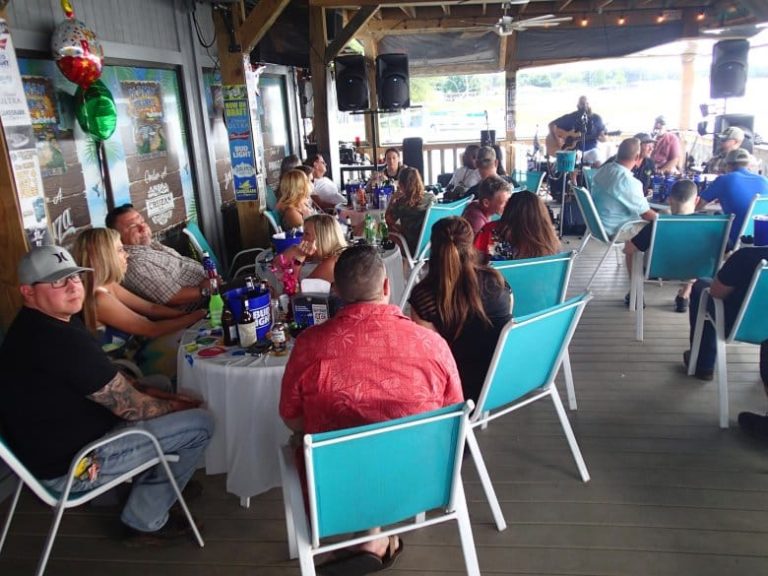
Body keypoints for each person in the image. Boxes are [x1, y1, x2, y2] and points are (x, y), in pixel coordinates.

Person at [0, 245, 213, 545]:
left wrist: (158, 393)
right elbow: (134, 409)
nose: (73, 285)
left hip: (68, 441)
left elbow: (108, 379)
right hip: (76, 466)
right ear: (27, 292)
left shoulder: (43, 324)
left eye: (73, 276)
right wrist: (179, 406)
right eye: (58, 281)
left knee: (160, 383)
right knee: (201, 424)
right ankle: (144, 519)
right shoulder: (55, 339)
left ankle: (156, 483)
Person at [279, 245, 463, 572]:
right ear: (387, 286)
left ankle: (369, 538)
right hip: (420, 480)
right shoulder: (432, 344)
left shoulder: (309, 346)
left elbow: (292, 419)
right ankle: (373, 538)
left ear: (336, 292)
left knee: (310, 439)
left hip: (335, 490)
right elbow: (453, 414)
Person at [73, 228, 207, 379]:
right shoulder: (99, 299)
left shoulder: (108, 284)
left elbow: (151, 308)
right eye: (119, 250)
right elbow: (151, 329)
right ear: (102, 257)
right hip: (130, 366)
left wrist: (185, 315)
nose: (126, 254)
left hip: (140, 347)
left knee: (198, 336)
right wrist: (197, 316)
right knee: (197, 350)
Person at [409, 217, 512, 403]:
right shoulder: (496, 282)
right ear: (470, 243)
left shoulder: (423, 297)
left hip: (453, 392)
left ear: (433, 247)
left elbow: (429, 353)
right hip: (499, 381)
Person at [683, 245, 768, 402]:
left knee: (701, 288)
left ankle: (704, 364)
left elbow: (716, 292)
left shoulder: (747, 256)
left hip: (741, 325)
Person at [106, 205, 213, 308]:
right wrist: (207, 289)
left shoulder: (147, 244)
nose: (143, 228)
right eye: (133, 226)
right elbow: (172, 298)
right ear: (117, 236)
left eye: (142, 221)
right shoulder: (134, 264)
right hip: (203, 306)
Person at [624, 179, 698, 312]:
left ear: (669, 201)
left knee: (631, 249)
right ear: (696, 200)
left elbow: (629, 249)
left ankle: (636, 292)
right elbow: (727, 252)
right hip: (694, 270)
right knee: (699, 256)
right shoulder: (710, 223)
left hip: (659, 270)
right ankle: (685, 294)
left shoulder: (658, 224)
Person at [696, 148, 768, 249]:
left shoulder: (724, 180)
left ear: (727, 165)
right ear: (748, 165)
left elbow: (697, 206)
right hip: (762, 242)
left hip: (737, 242)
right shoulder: (764, 180)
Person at [591, 137, 657, 241]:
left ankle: (631, 256)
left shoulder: (604, 169)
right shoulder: (628, 181)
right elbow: (647, 214)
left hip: (597, 226)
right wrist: (667, 221)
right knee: (656, 227)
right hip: (615, 230)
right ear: (637, 157)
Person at [474, 190, 561, 262]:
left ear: (509, 209)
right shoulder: (548, 236)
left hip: (501, 281)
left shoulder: (493, 232)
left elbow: (476, 260)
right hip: (539, 281)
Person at [280, 213, 348, 286]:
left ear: (322, 238)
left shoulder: (332, 263)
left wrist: (298, 259)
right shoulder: (318, 254)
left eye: (307, 234)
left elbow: (297, 292)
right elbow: (276, 265)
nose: (302, 238)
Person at [384, 166, 435, 255]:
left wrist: (392, 199)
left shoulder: (401, 203)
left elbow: (387, 220)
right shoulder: (431, 198)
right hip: (430, 245)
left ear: (402, 185)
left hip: (412, 247)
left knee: (388, 230)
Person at [547, 95, 607, 164]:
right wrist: (558, 141)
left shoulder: (597, 118)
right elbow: (551, 125)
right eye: (582, 103)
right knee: (564, 167)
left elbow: (604, 138)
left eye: (587, 103)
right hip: (572, 151)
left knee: (598, 164)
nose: (585, 106)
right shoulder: (571, 117)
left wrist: (603, 139)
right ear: (578, 105)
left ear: (590, 104)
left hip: (591, 150)